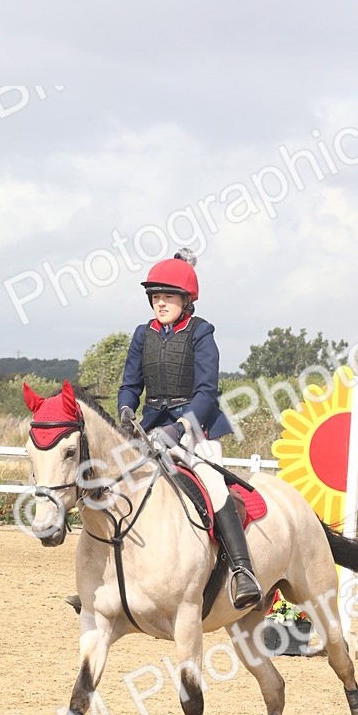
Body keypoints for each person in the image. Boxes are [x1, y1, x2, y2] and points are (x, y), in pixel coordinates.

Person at [117, 248, 262, 609]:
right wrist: (125, 408)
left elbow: (206, 391)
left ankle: (243, 572)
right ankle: (108, 574)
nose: (160, 303)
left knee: (213, 487)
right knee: (113, 481)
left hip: (197, 428)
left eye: (167, 297)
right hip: (150, 425)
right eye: (155, 297)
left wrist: (181, 427)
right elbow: (131, 384)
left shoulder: (201, 332)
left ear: (186, 299)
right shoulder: (142, 334)